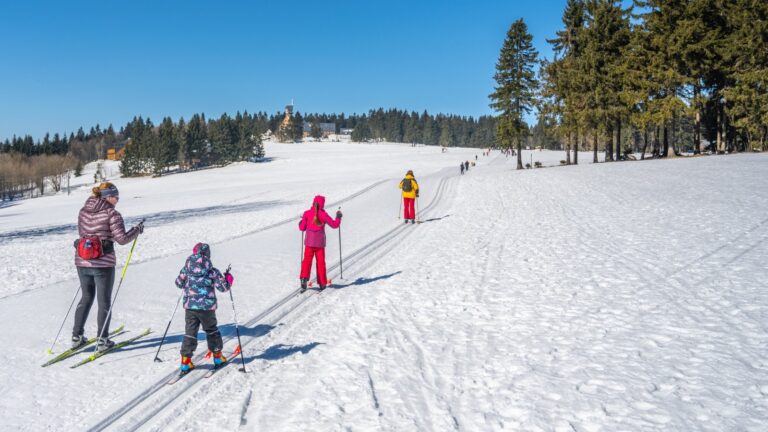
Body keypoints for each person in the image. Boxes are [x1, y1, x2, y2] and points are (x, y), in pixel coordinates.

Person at [72, 182, 143, 351]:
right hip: (103, 263)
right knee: (104, 301)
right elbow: (122, 239)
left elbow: (83, 234)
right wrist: (137, 230)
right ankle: (103, 340)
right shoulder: (112, 214)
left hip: (82, 260)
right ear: (107, 197)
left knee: (86, 297)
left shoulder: (83, 211)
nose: (117, 200)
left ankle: (76, 337)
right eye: (115, 196)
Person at [174, 242, 233, 376]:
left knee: (190, 332)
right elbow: (223, 287)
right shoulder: (212, 271)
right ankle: (217, 357)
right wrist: (228, 279)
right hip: (207, 308)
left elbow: (178, 283)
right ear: (208, 255)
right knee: (211, 331)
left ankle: (185, 361)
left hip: (190, 307)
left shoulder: (186, 269)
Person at [299, 196, 342, 291]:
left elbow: (302, 228)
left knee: (306, 261)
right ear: (322, 204)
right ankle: (322, 283)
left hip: (309, 243)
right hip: (320, 244)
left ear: (313, 202)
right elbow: (335, 225)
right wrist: (338, 217)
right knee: (320, 263)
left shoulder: (307, 213)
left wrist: (301, 222)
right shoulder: (323, 214)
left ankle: (303, 279)